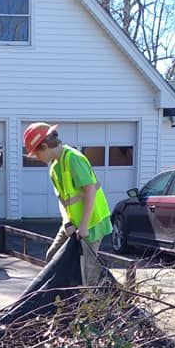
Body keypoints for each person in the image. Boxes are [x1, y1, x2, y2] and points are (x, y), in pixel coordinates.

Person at [23, 122, 112, 285]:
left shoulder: (74, 159)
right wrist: (66, 221)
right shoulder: (54, 168)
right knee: (53, 257)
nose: (37, 158)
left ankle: (90, 303)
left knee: (86, 270)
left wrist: (84, 226)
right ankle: (60, 297)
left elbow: (90, 191)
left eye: (36, 154)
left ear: (44, 146)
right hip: (72, 223)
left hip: (92, 222)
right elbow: (63, 200)